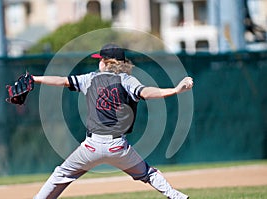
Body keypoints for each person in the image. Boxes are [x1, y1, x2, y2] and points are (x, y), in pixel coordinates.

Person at [32, 44, 193, 199]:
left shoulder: (90, 78)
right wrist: (175, 90)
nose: (99, 62)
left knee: (61, 174)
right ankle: (175, 196)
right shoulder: (126, 80)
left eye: (101, 59)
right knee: (148, 174)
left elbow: (62, 81)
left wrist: (34, 78)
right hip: (118, 148)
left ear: (108, 62)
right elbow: (147, 92)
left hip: (91, 147)